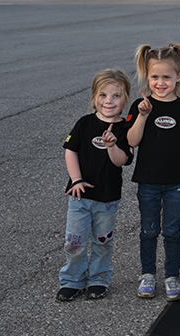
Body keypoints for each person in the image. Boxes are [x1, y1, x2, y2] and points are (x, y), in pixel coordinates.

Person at [126, 43, 180, 302]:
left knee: (172, 232)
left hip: (176, 183)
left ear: (179, 76)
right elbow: (132, 141)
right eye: (154, 77)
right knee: (148, 231)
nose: (160, 83)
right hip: (147, 181)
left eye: (166, 77)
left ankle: (171, 277)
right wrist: (142, 116)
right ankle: (147, 275)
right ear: (147, 76)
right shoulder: (141, 105)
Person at [57, 69, 134, 302]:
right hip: (79, 196)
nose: (109, 101)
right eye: (103, 95)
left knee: (103, 241)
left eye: (116, 96)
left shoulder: (126, 128)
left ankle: (99, 279)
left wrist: (111, 145)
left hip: (108, 197)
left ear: (125, 99)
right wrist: (76, 179)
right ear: (94, 97)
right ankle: (72, 280)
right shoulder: (85, 123)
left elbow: (122, 160)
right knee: (74, 242)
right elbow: (70, 151)